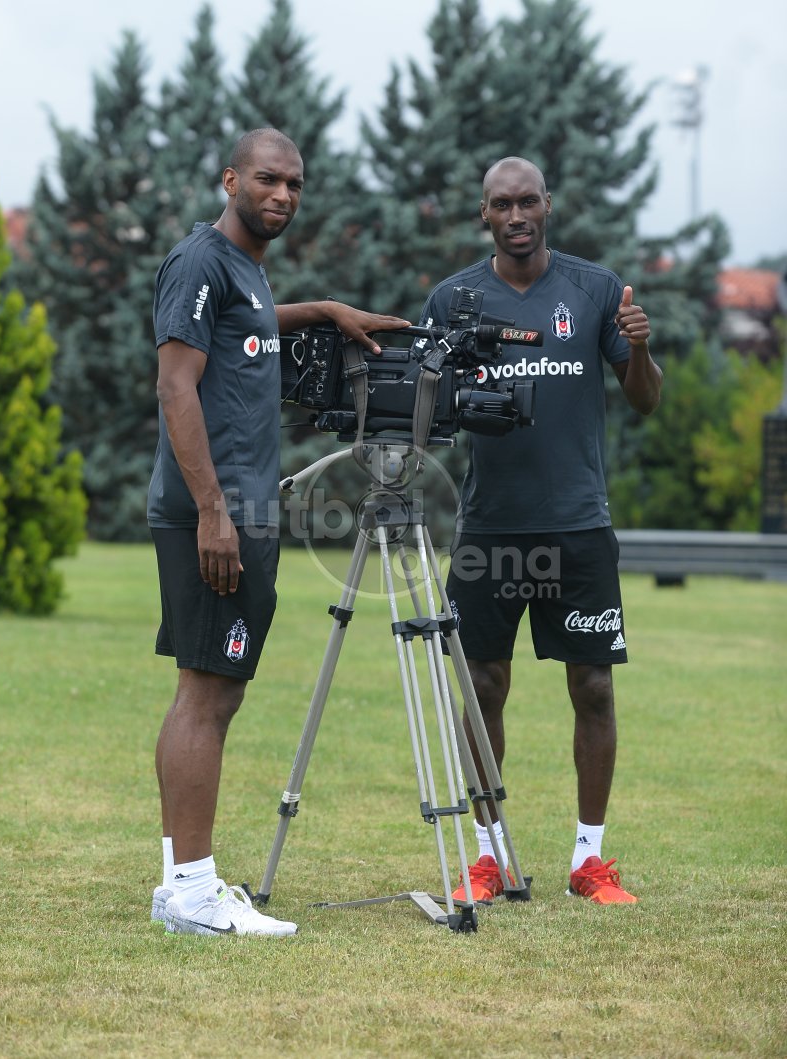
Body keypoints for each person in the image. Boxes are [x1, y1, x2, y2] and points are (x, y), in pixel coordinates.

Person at [147, 128, 409, 937]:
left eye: (295, 184)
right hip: (216, 513)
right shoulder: (199, 261)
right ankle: (192, 891)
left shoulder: (244, 273)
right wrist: (216, 513)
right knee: (205, 690)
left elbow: (252, 320)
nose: (283, 196)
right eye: (267, 180)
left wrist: (324, 311)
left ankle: (180, 883)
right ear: (230, 178)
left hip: (249, 510)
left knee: (217, 691)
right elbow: (175, 385)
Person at [416, 156, 662, 905]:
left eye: (528, 201)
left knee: (591, 685)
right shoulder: (452, 297)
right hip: (490, 528)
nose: (516, 215)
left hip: (579, 526)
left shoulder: (594, 290)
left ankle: (590, 861)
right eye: (501, 204)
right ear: (483, 215)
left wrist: (641, 347)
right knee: (483, 683)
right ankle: (489, 856)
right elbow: (428, 410)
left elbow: (646, 401)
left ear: (548, 206)